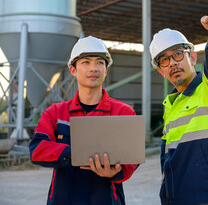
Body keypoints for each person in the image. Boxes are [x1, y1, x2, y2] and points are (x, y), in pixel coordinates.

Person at [29, 36, 138, 205]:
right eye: (86, 62)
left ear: (106, 70)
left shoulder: (123, 112)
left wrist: (114, 173)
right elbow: (37, 150)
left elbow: (132, 157)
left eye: (100, 62)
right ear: (73, 69)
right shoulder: (56, 113)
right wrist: (76, 153)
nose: (93, 68)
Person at [149, 2, 208, 205]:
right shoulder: (170, 105)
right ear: (161, 71)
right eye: (164, 60)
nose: (173, 63)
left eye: (178, 54)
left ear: (193, 57)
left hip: (204, 199)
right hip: (173, 198)